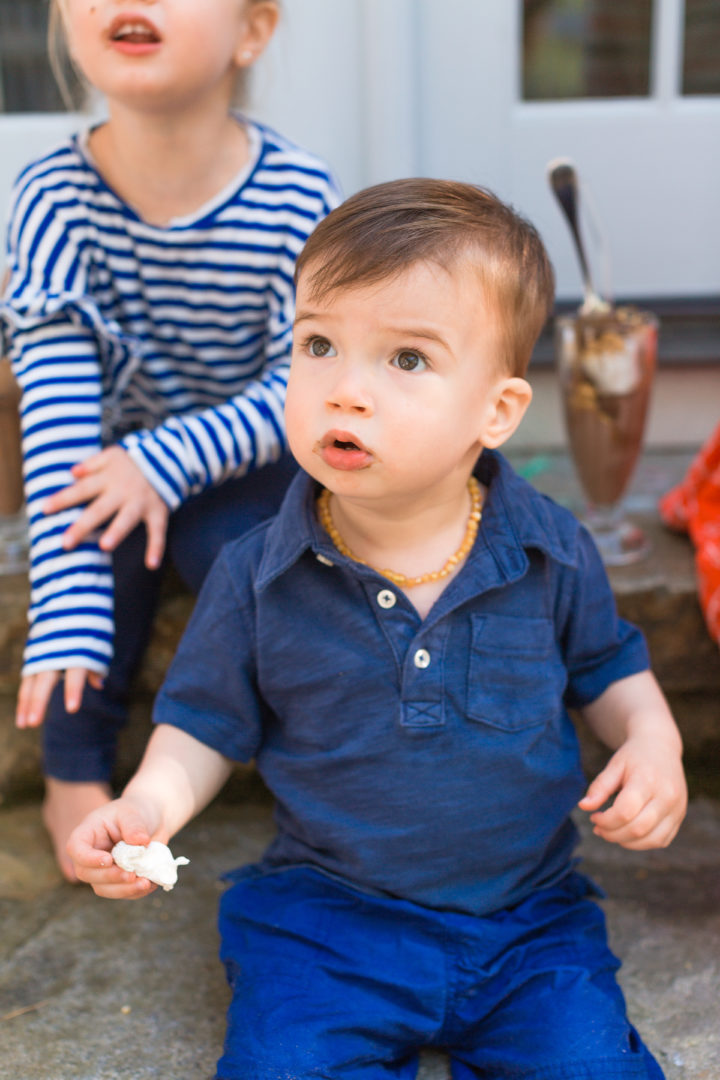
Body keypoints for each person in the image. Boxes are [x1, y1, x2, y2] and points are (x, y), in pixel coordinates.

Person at [68, 179, 687, 1080]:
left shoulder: (549, 549)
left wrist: (654, 740)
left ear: (498, 411)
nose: (345, 390)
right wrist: (148, 808)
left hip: (525, 923)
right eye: (319, 344)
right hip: (328, 922)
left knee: (594, 1066)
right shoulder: (256, 573)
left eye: (405, 360)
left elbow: (607, 668)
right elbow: (201, 726)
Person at [0, 0, 339, 880]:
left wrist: (166, 461)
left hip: (259, 454)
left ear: (252, 31)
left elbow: (307, 387)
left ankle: (314, 764)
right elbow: (58, 412)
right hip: (109, 459)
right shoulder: (49, 200)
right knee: (92, 537)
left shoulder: (297, 197)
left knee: (232, 549)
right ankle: (74, 776)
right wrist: (63, 607)